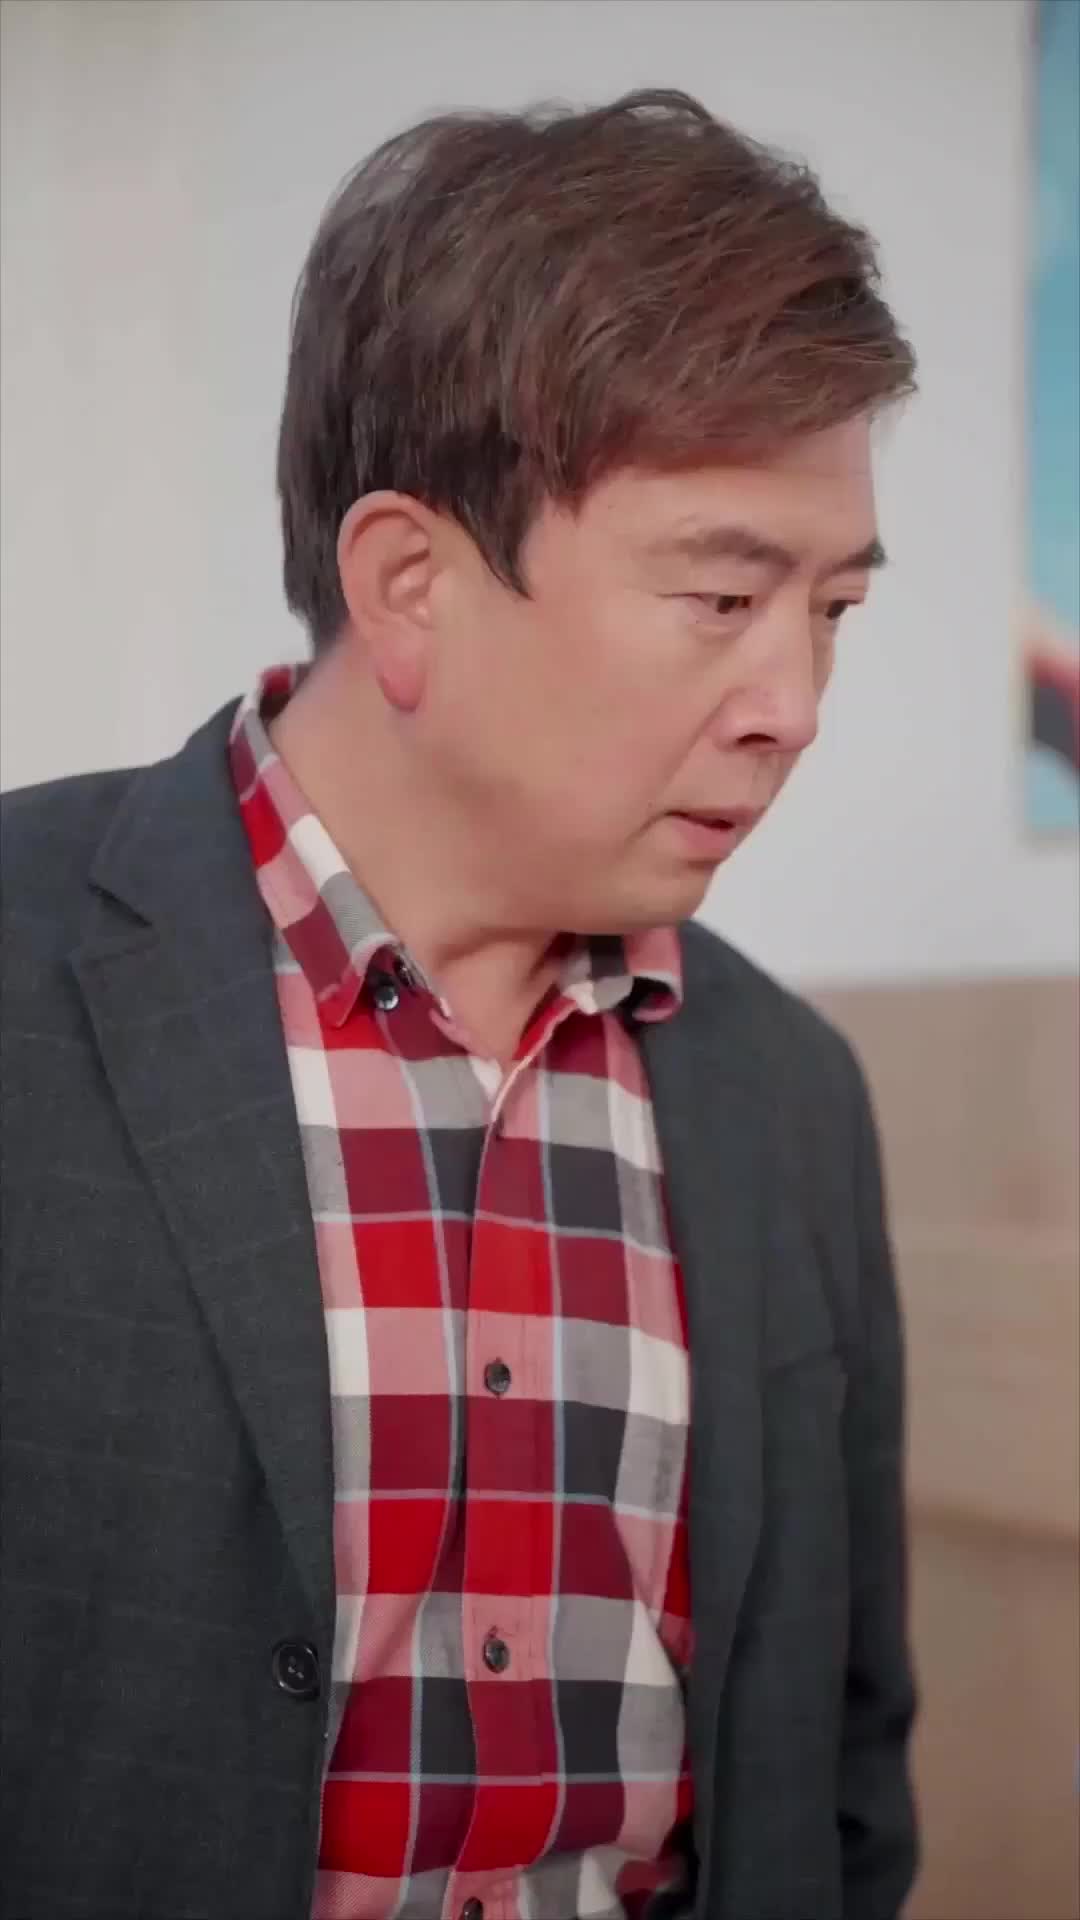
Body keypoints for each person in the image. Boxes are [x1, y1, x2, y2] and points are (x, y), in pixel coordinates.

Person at [0, 89, 918, 1920]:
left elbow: (838, 1767)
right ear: (409, 585)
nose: (795, 707)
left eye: (833, 611)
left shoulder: (791, 1094)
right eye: (723, 595)